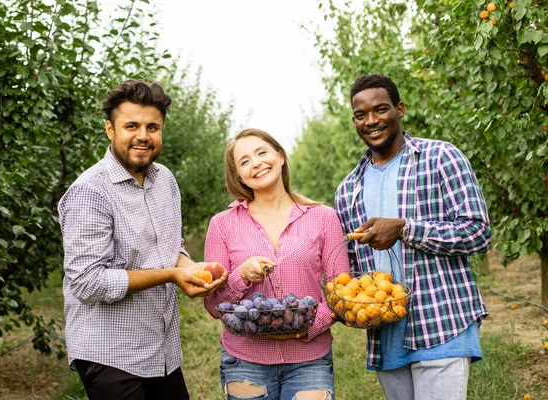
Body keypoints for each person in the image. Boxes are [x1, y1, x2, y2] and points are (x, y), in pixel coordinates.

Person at [58, 79, 227, 400]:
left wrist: (190, 268)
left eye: (153, 127)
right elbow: (87, 283)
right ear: (110, 129)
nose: (143, 136)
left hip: (160, 348)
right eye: (131, 126)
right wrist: (172, 275)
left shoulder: (165, 180)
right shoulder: (89, 192)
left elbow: (170, 247)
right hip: (109, 352)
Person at [334, 74, 491, 400]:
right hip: (385, 333)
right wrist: (345, 304)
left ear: (400, 109)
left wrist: (406, 229)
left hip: (441, 321)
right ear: (354, 120)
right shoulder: (349, 190)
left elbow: (478, 232)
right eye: (361, 115)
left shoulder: (441, 159)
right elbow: (352, 264)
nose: (372, 121)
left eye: (380, 109)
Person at [203, 128, 350, 400]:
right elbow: (214, 304)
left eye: (262, 153)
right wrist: (241, 276)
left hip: (310, 358)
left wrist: (304, 329)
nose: (256, 163)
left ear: (280, 156)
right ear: (238, 175)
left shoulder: (323, 218)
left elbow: (341, 292)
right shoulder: (222, 225)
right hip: (246, 359)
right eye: (244, 161)